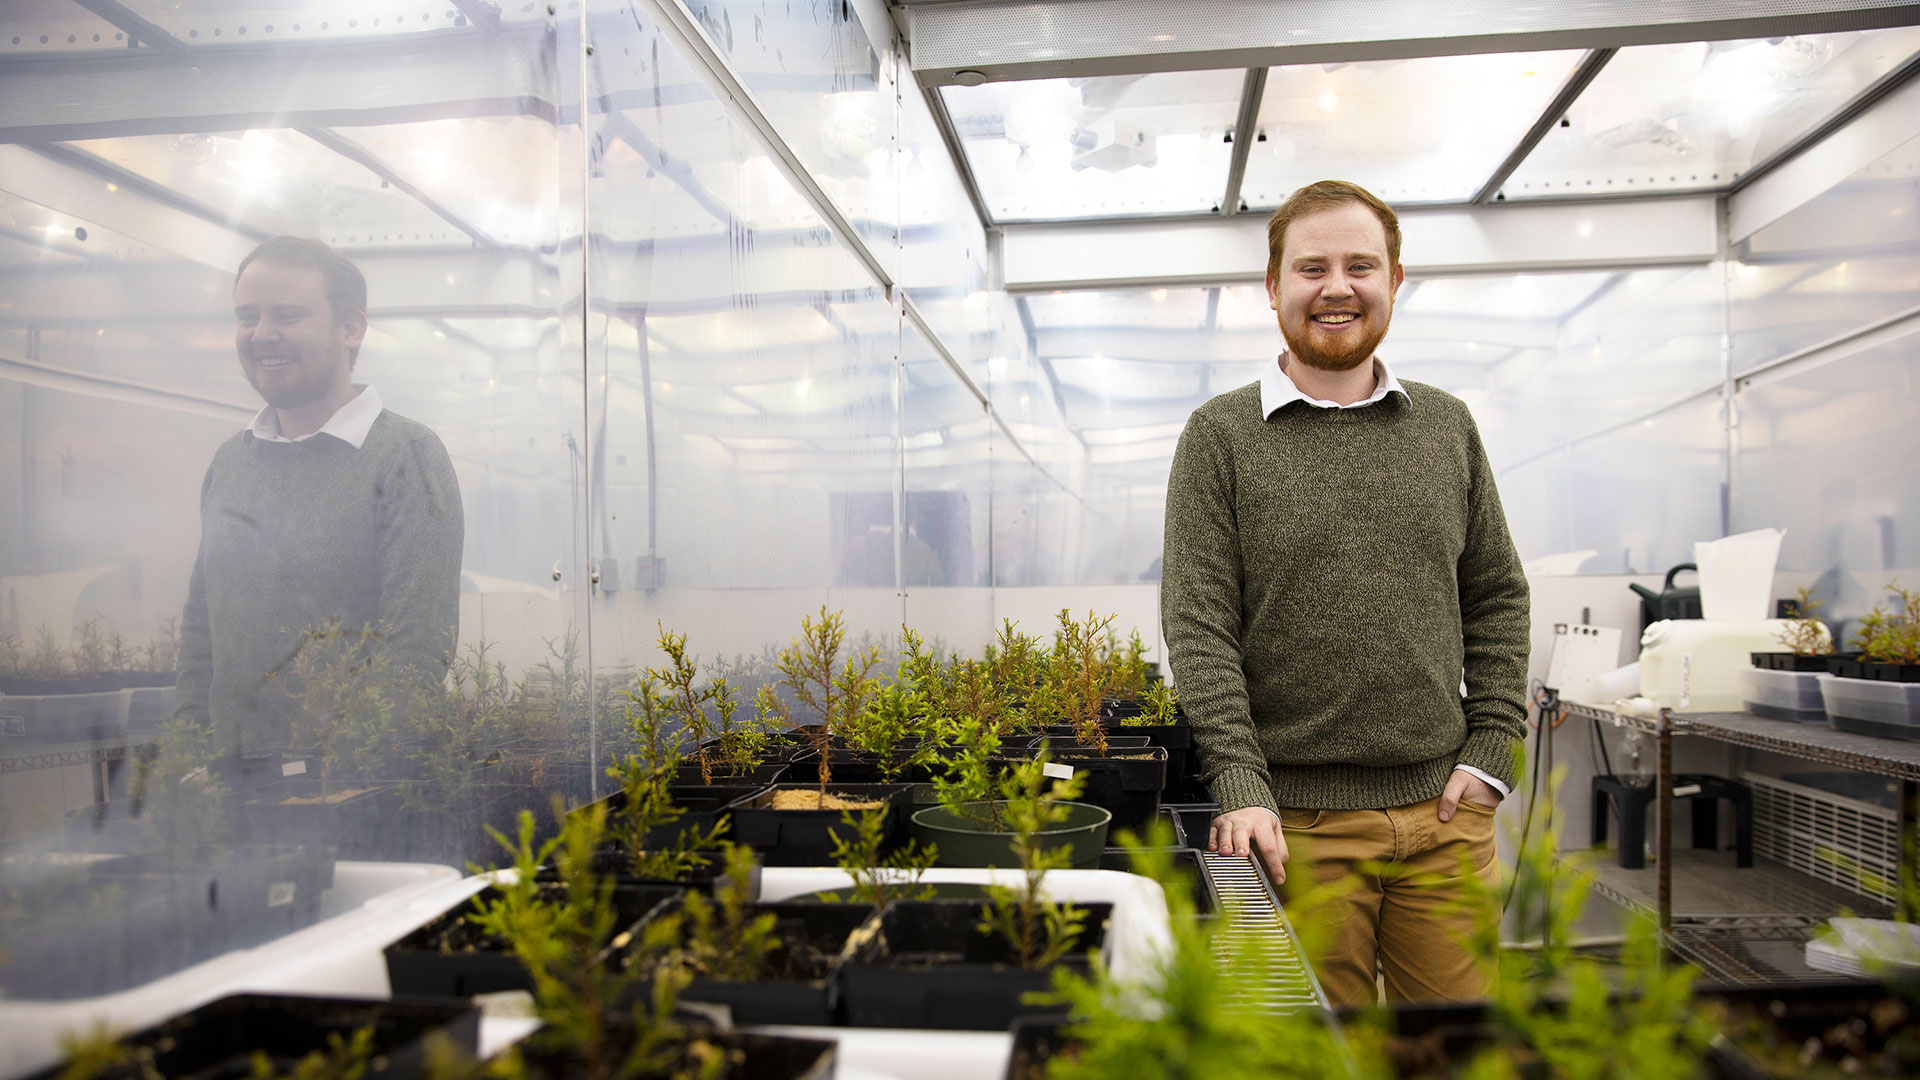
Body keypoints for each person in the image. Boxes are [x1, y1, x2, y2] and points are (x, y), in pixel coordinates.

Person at [1160, 180, 1530, 1006]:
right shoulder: (1220, 437)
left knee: (1457, 1055)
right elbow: (1199, 627)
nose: (1337, 287)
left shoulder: (1446, 425)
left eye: (1361, 265)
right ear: (1273, 287)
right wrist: (1242, 788)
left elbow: (1498, 594)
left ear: (1395, 281)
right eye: (1311, 267)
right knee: (1321, 1058)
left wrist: (1494, 747)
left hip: (1445, 816)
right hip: (1296, 829)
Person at [175, 237, 464, 754]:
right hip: (234, 792)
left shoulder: (404, 456)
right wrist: (193, 754)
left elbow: (416, 652)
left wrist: (346, 784)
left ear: (350, 328)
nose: (262, 334)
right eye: (248, 316)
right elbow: (203, 630)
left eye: (287, 315)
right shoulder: (231, 460)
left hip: (354, 797)